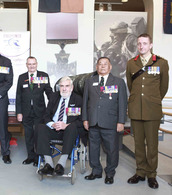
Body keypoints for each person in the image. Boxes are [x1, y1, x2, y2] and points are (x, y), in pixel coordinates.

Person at [126, 33, 169, 189]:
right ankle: (140, 172)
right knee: (138, 143)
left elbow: (163, 87)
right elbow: (131, 86)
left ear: (150, 45)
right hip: (136, 109)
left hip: (152, 109)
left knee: (152, 144)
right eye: (139, 43)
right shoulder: (131, 63)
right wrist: (139, 100)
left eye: (144, 43)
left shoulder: (161, 63)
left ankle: (152, 174)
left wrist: (152, 99)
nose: (141, 46)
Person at [82, 57, 127, 185]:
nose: (102, 66)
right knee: (93, 148)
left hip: (111, 122)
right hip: (93, 121)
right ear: (96, 67)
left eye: (105, 64)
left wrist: (121, 121)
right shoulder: (90, 81)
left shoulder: (118, 82)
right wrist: (85, 119)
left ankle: (110, 173)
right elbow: (85, 101)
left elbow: (122, 103)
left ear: (110, 67)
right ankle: (96, 171)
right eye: (100, 64)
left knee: (112, 149)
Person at [36, 76, 83, 176]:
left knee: (72, 127)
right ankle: (48, 164)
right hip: (54, 129)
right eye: (62, 86)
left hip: (68, 132)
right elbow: (46, 115)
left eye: (67, 86)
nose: (64, 88)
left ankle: (61, 164)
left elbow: (81, 121)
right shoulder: (54, 97)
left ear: (72, 87)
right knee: (40, 127)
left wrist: (65, 125)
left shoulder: (78, 99)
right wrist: (52, 124)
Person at [16, 56, 53, 166]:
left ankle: (38, 157)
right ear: (26, 65)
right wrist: (19, 112)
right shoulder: (22, 77)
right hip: (26, 111)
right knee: (28, 135)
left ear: (36, 64)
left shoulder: (43, 76)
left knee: (38, 134)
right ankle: (30, 156)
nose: (31, 66)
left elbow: (49, 92)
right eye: (29, 64)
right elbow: (19, 95)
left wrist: (55, 105)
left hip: (40, 111)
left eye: (33, 64)